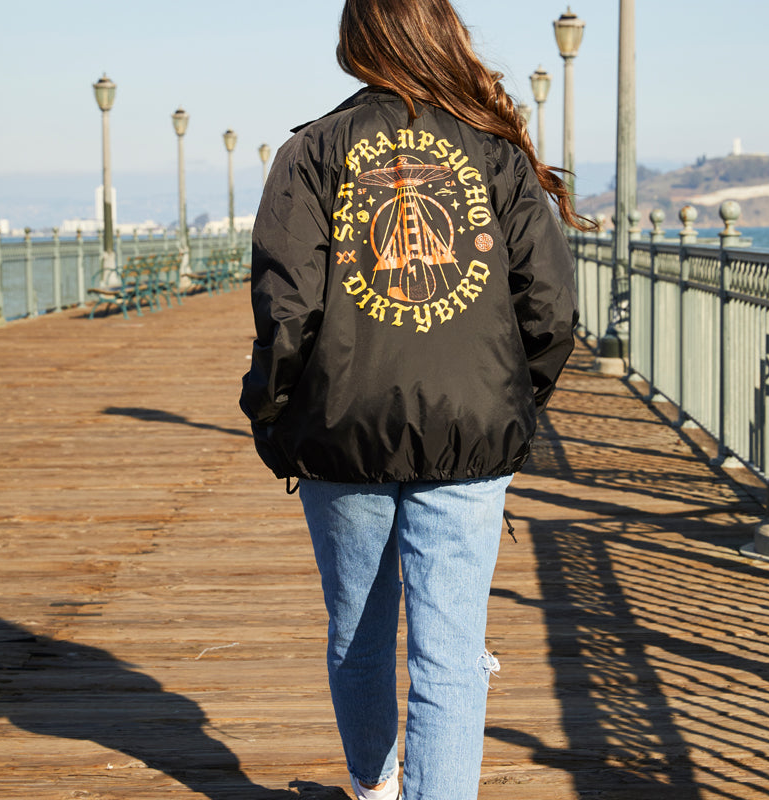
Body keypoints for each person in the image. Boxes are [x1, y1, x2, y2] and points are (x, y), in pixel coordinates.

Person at [240, 1, 592, 797]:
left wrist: (273, 417)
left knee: (358, 639)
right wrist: (508, 402)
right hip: (470, 439)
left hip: (340, 436)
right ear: (442, 36)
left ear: (356, 43)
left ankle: (376, 789)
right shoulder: (496, 151)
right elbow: (552, 310)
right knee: (450, 653)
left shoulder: (311, 152)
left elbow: (284, 314)